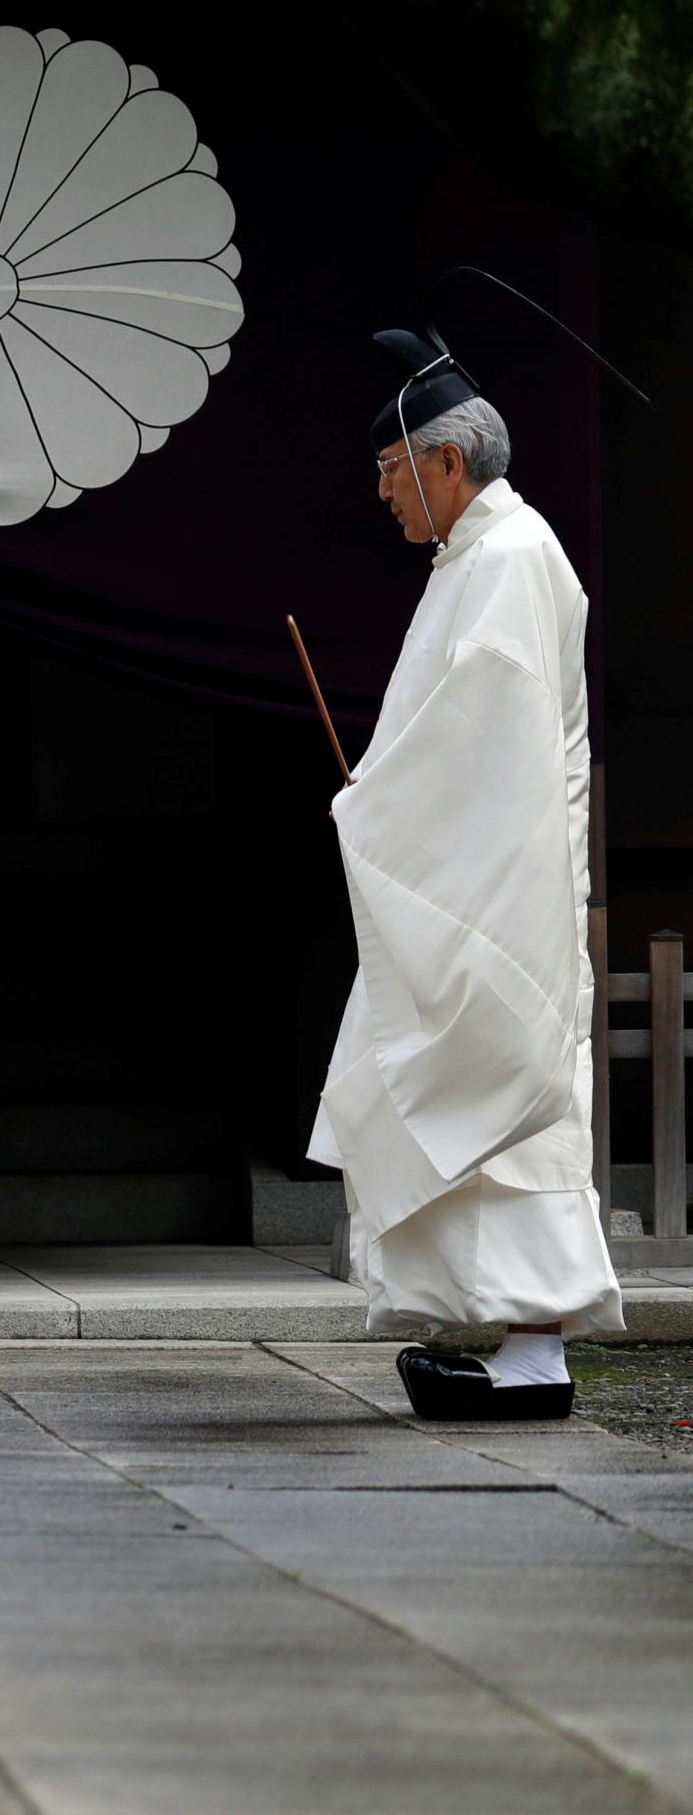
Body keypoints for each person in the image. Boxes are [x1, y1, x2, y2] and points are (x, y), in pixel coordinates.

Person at [311, 327, 623, 1422]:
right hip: (494, 877)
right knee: (486, 1096)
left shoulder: (505, 556)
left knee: (502, 1093)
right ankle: (519, 1348)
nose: (385, 497)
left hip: (501, 885)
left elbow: (484, 732)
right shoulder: (487, 553)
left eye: (392, 474)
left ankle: (535, 1357)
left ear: (446, 463)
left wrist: (374, 805)